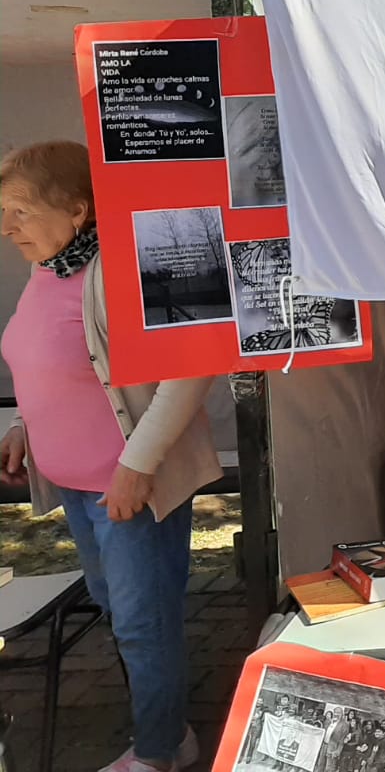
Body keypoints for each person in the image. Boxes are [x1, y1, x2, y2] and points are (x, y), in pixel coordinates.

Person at [0, 142, 221, 772]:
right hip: (79, 487)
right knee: (122, 613)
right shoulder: (47, 267)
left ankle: (158, 753)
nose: (7, 226)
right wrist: (22, 425)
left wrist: (138, 467)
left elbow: (192, 365)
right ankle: (169, 731)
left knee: (143, 624)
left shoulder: (125, 266)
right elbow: (46, 357)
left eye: (21, 210)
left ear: (77, 210)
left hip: (127, 487)